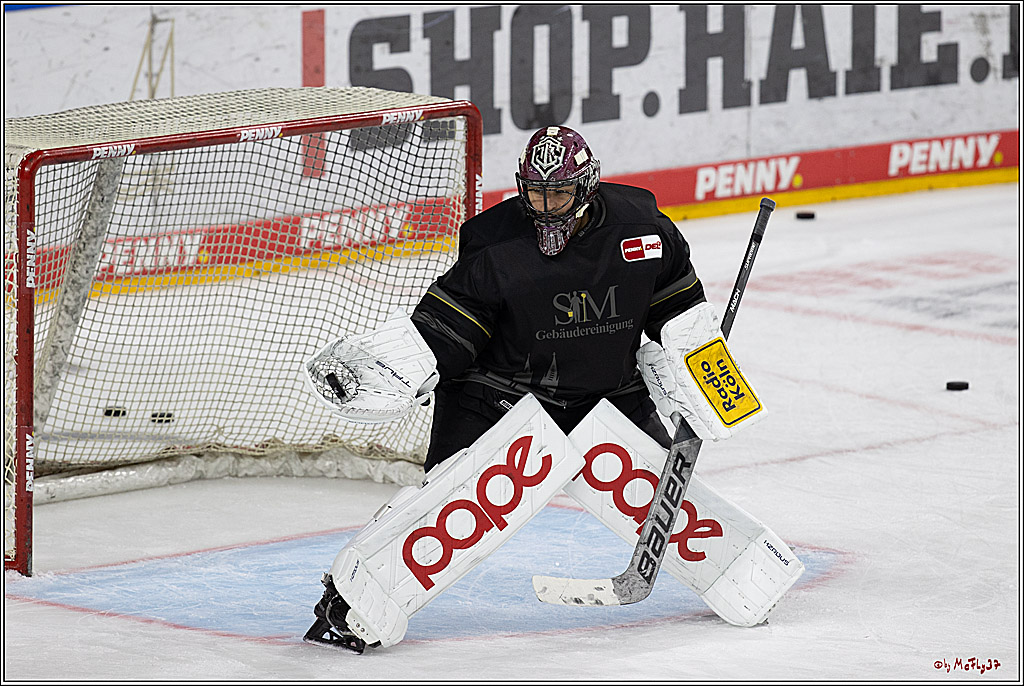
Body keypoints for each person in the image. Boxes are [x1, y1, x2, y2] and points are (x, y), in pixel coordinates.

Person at [409, 125, 707, 472]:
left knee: (669, 498)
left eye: (560, 192)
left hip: (609, 396)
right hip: (505, 398)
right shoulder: (495, 244)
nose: (547, 207)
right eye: (536, 192)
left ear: (586, 187)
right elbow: (451, 326)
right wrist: (413, 366)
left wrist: (706, 371)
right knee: (449, 506)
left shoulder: (642, 230)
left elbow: (681, 312)